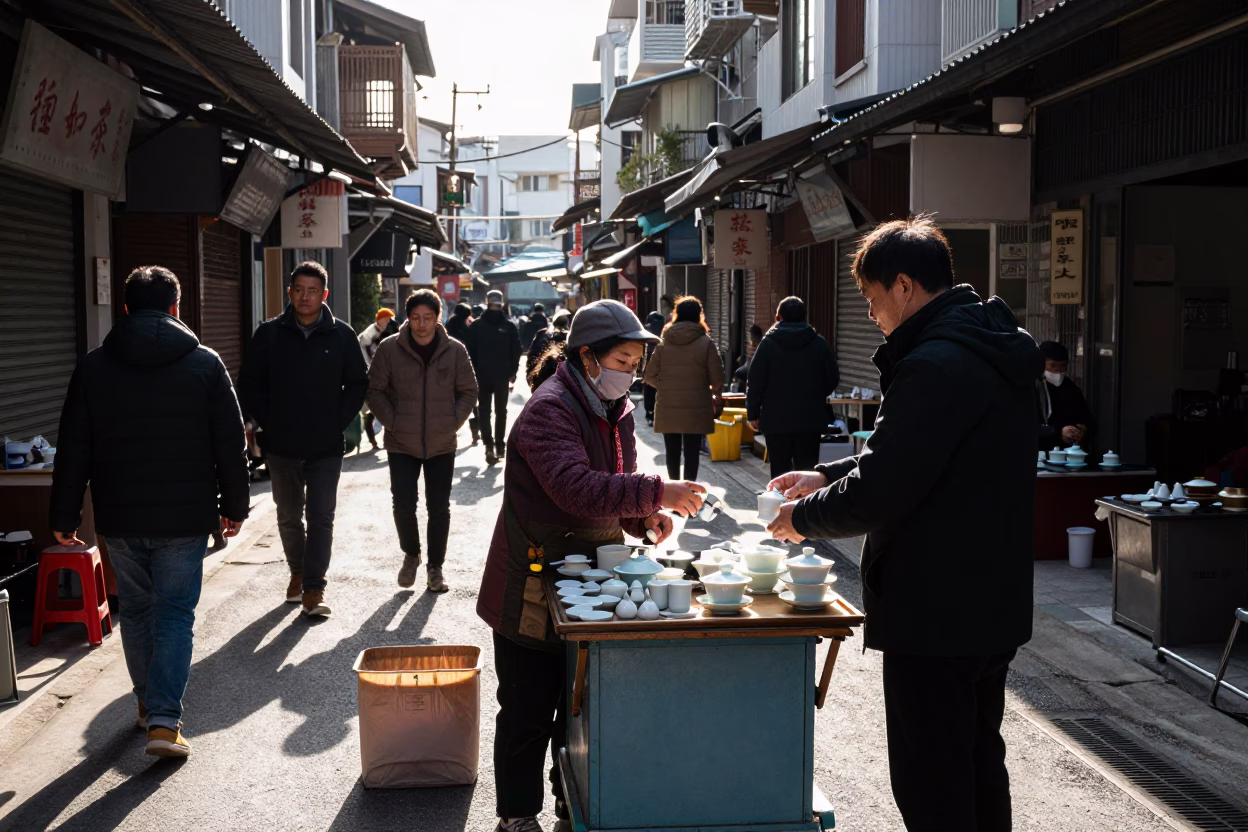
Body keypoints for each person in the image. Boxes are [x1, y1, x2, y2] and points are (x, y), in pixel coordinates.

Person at [765, 217, 1042, 832]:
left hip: (935, 607)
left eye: (871, 299)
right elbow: (927, 459)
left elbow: (889, 487)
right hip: (991, 602)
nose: (872, 315)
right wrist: (827, 476)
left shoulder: (934, 364)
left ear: (906, 286)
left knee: (933, 781)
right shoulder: (992, 347)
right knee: (976, 762)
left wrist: (800, 520)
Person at [477, 299, 707, 832]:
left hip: (590, 577)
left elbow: (613, 485)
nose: (629, 374)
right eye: (622, 362)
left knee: (579, 707)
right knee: (527, 710)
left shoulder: (615, 410)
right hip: (531, 580)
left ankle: (571, 802)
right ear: (587, 357)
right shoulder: (549, 408)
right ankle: (516, 814)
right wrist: (658, 490)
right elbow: (575, 487)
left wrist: (643, 519)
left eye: (634, 364)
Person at [49, 266, 249, 758]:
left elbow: (74, 445)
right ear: (176, 308)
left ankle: (145, 705)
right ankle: (164, 719)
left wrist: (64, 514)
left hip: (120, 514)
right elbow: (230, 440)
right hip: (185, 517)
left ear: (125, 308)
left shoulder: (94, 366)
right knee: (176, 614)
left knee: (136, 611)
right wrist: (235, 504)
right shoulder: (204, 363)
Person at [239, 261, 368, 618]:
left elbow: (358, 383)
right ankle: (297, 572)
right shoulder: (268, 334)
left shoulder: (342, 335)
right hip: (280, 445)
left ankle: (314, 588)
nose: (305, 297)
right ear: (289, 292)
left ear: (324, 295)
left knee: (321, 516)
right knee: (288, 516)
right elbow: (249, 383)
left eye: (313, 291)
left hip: (326, 445)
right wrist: (268, 422)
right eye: (299, 290)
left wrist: (337, 421)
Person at [367, 290, 478, 593]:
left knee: (439, 507)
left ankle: (436, 568)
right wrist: (393, 421)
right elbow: (374, 390)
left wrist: (452, 422)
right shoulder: (390, 349)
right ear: (407, 317)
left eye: (427, 318)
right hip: (401, 441)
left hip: (442, 442)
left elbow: (469, 390)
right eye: (415, 317)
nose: (421, 324)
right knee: (403, 504)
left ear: (437, 318)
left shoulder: (455, 350)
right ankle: (411, 554)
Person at [747, 297, 840, 479]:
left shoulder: (768, 344)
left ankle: (781, 507)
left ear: (778, 316)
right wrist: (816, 394)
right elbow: (832, 378)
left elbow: (755, 381)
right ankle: (804, 507)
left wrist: (753, 413)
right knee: (807, 473)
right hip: (810, 419)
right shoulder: (818, 343)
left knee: (779, 473)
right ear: (805, 317)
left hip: (775, 420)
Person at [644, 296, 723, 482]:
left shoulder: (664, 342)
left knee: (672, 453)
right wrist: (713, 393)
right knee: (692, 454)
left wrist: (665, 387)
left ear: (676, 315)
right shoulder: (706, 343)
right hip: (696, 407)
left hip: (668, 405)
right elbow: (718, 378)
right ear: (699, 316)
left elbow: (648, 375)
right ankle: (689, 494)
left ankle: (674, 494)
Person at [465, 289, 522, 465]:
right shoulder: (509, 325)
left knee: (484, 411)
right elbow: (517, 350)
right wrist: (513, 372)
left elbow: (469, 352)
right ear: (502, 303)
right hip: (501, 376)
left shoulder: (476, 325)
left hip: (482, 375)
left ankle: (489, 446)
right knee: (500, 412)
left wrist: (472, 372)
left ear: (486, 301)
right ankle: (499, 445)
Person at [1038, 340, 1093, 449]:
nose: (1057, 370)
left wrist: (1081, 429)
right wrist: (1058, 432)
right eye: (1052, 365)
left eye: (1062, 366)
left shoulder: (1070, 388)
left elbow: (1086, 418)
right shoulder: (1032, 388)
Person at [357, 308, 398, 450]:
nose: (388, 322)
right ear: (380, 319)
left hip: (385, 373)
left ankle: (383, 438)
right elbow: (363, 352)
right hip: (372, 374)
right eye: (386, 319)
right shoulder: (369, 333)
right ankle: (373, 439)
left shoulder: (386, 331)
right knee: (373, 408)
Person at [446, 302, 481, 445]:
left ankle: (449, 432)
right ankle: (475, 434)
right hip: (466, 367)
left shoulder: (448, 325)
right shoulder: (467, 327)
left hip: (448, 367)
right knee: (471, 400)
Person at [526, 309, 570, 383]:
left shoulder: (542, 334)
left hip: (540, 376)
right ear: (567, 324)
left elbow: (531, 355)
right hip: (561, 382)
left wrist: (530, 375)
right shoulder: (569, 337)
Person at [641, 310, 665, 424]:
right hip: (661, 360)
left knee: (648, 387)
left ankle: (649, 413)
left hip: (648, 359)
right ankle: (656, 412)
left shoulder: (644, 329)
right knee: (658, 387)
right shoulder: (665, 329)